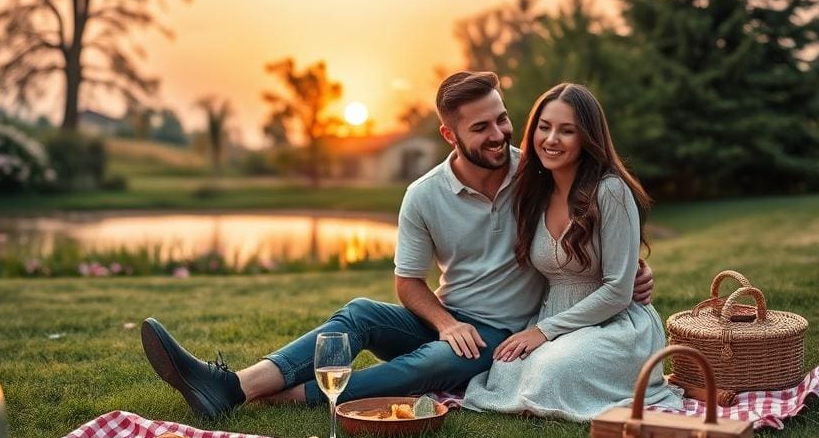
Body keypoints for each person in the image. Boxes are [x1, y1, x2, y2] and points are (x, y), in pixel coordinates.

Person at [139, 72, 655, 419]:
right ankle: (232, 383)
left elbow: (584, 239)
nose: (500, 134)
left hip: (503, 333)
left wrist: (632, 273)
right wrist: (447, 322)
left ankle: (274, 395)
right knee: (361, 312)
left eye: (502, 119)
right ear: (450, 136)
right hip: (448, 319)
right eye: (482, 128)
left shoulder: (535, 171)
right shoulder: (424, 195)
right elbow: (408, 282)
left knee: (426, 367)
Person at [463, 83, 682, 419]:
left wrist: (542, 332)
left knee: (552, 369)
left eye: (567, 131)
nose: (551, 140)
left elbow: (618, 291)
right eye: (544, 127)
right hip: (554, 316)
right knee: (505, 369)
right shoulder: (533, 191)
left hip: (615, 324)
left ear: (587, 138)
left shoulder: (610, 191)